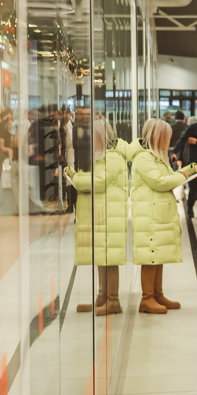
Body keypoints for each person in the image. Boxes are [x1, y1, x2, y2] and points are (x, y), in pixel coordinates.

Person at [127, 119, 197, 314]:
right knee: (150, 256)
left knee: (157, 255)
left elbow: (168, 176)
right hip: (149, 215)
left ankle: (157, 294)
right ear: (158, 136)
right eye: (167, 137)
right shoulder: (143, 158)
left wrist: (189, 169)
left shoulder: (156, 156)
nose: (169, 141)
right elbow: (160, 182)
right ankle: (147, 299)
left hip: (157, 214)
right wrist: (183, 176)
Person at [69, 121, 129, 314]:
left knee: (109, 258)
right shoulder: (101, 157)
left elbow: (100, 182)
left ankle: (113, 300)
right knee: (102, 256)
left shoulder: (113, 157)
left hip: (110, 215)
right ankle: (102, 297)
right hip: (103, 214)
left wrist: (75, 178)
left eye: (93, 136)